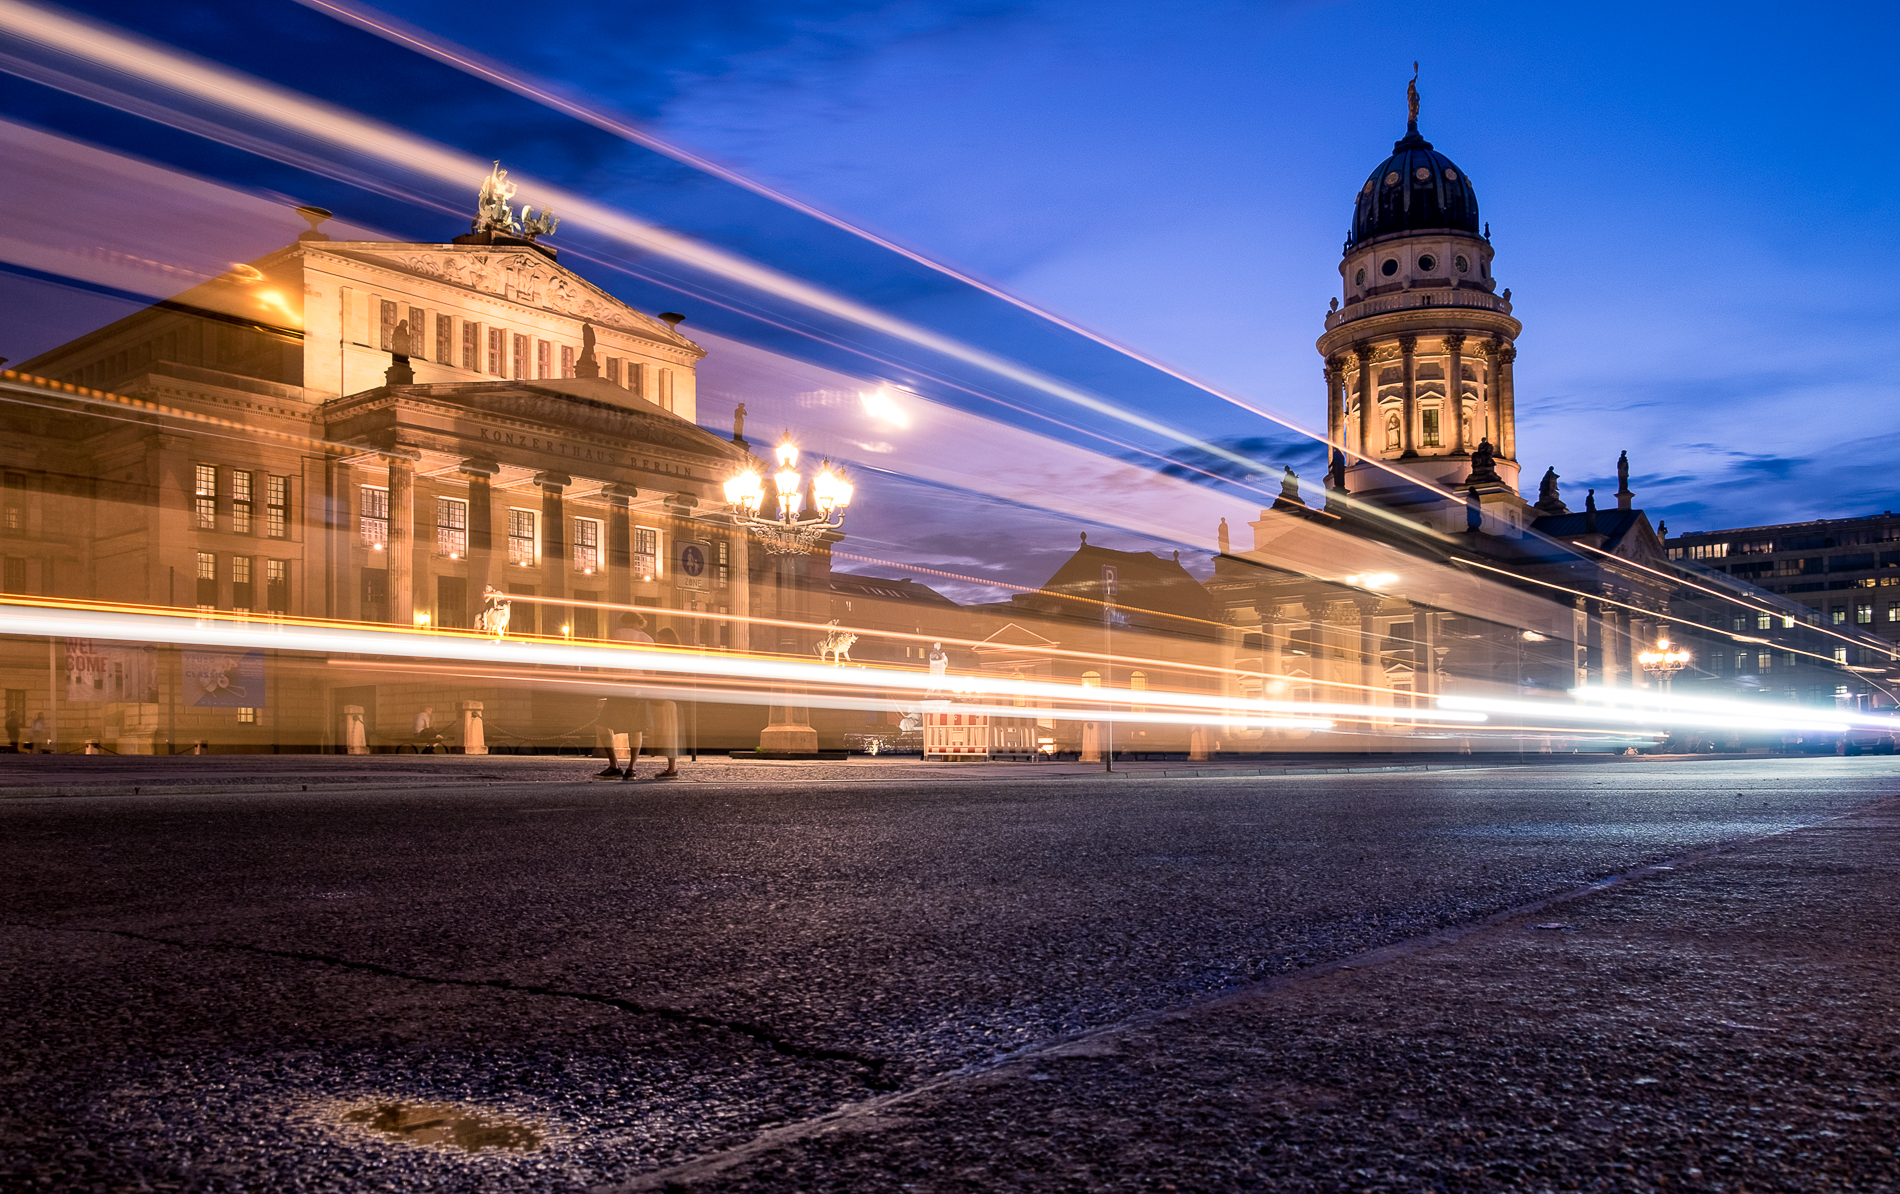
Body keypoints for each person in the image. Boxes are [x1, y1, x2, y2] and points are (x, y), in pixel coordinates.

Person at [598, 612, 653, 779]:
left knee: (602, 724)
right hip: (639, 685)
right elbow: (651, 669)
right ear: (640, 621)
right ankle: (631, 768)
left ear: (625, 621)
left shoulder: (620, 633)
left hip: (621, 684)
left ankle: (614, 765)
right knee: (637, 728)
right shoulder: (649, 639)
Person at [649, 629, 683, 779]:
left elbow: (668, 677)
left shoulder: (668, 656)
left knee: (669, 735)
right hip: (670, 698)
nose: (657, 643)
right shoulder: (674, 655)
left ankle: (672, 769)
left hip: (666, 698)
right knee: (669, 734)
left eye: (659, 639)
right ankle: (671, 768)